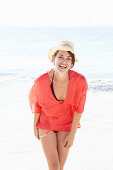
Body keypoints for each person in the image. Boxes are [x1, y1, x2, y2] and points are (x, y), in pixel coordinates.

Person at [29, 40, 88, 170]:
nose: (64, 61)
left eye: (68, 58)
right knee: (54, 166)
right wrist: (35, 127)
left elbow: (79, 109)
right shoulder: (41, 81)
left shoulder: (80, 81)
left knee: (60, 167)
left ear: (72, 63)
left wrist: (72, 134)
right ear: (53, 59)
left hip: (66, 125)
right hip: (46, 125)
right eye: (60, 57)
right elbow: (37, 105)